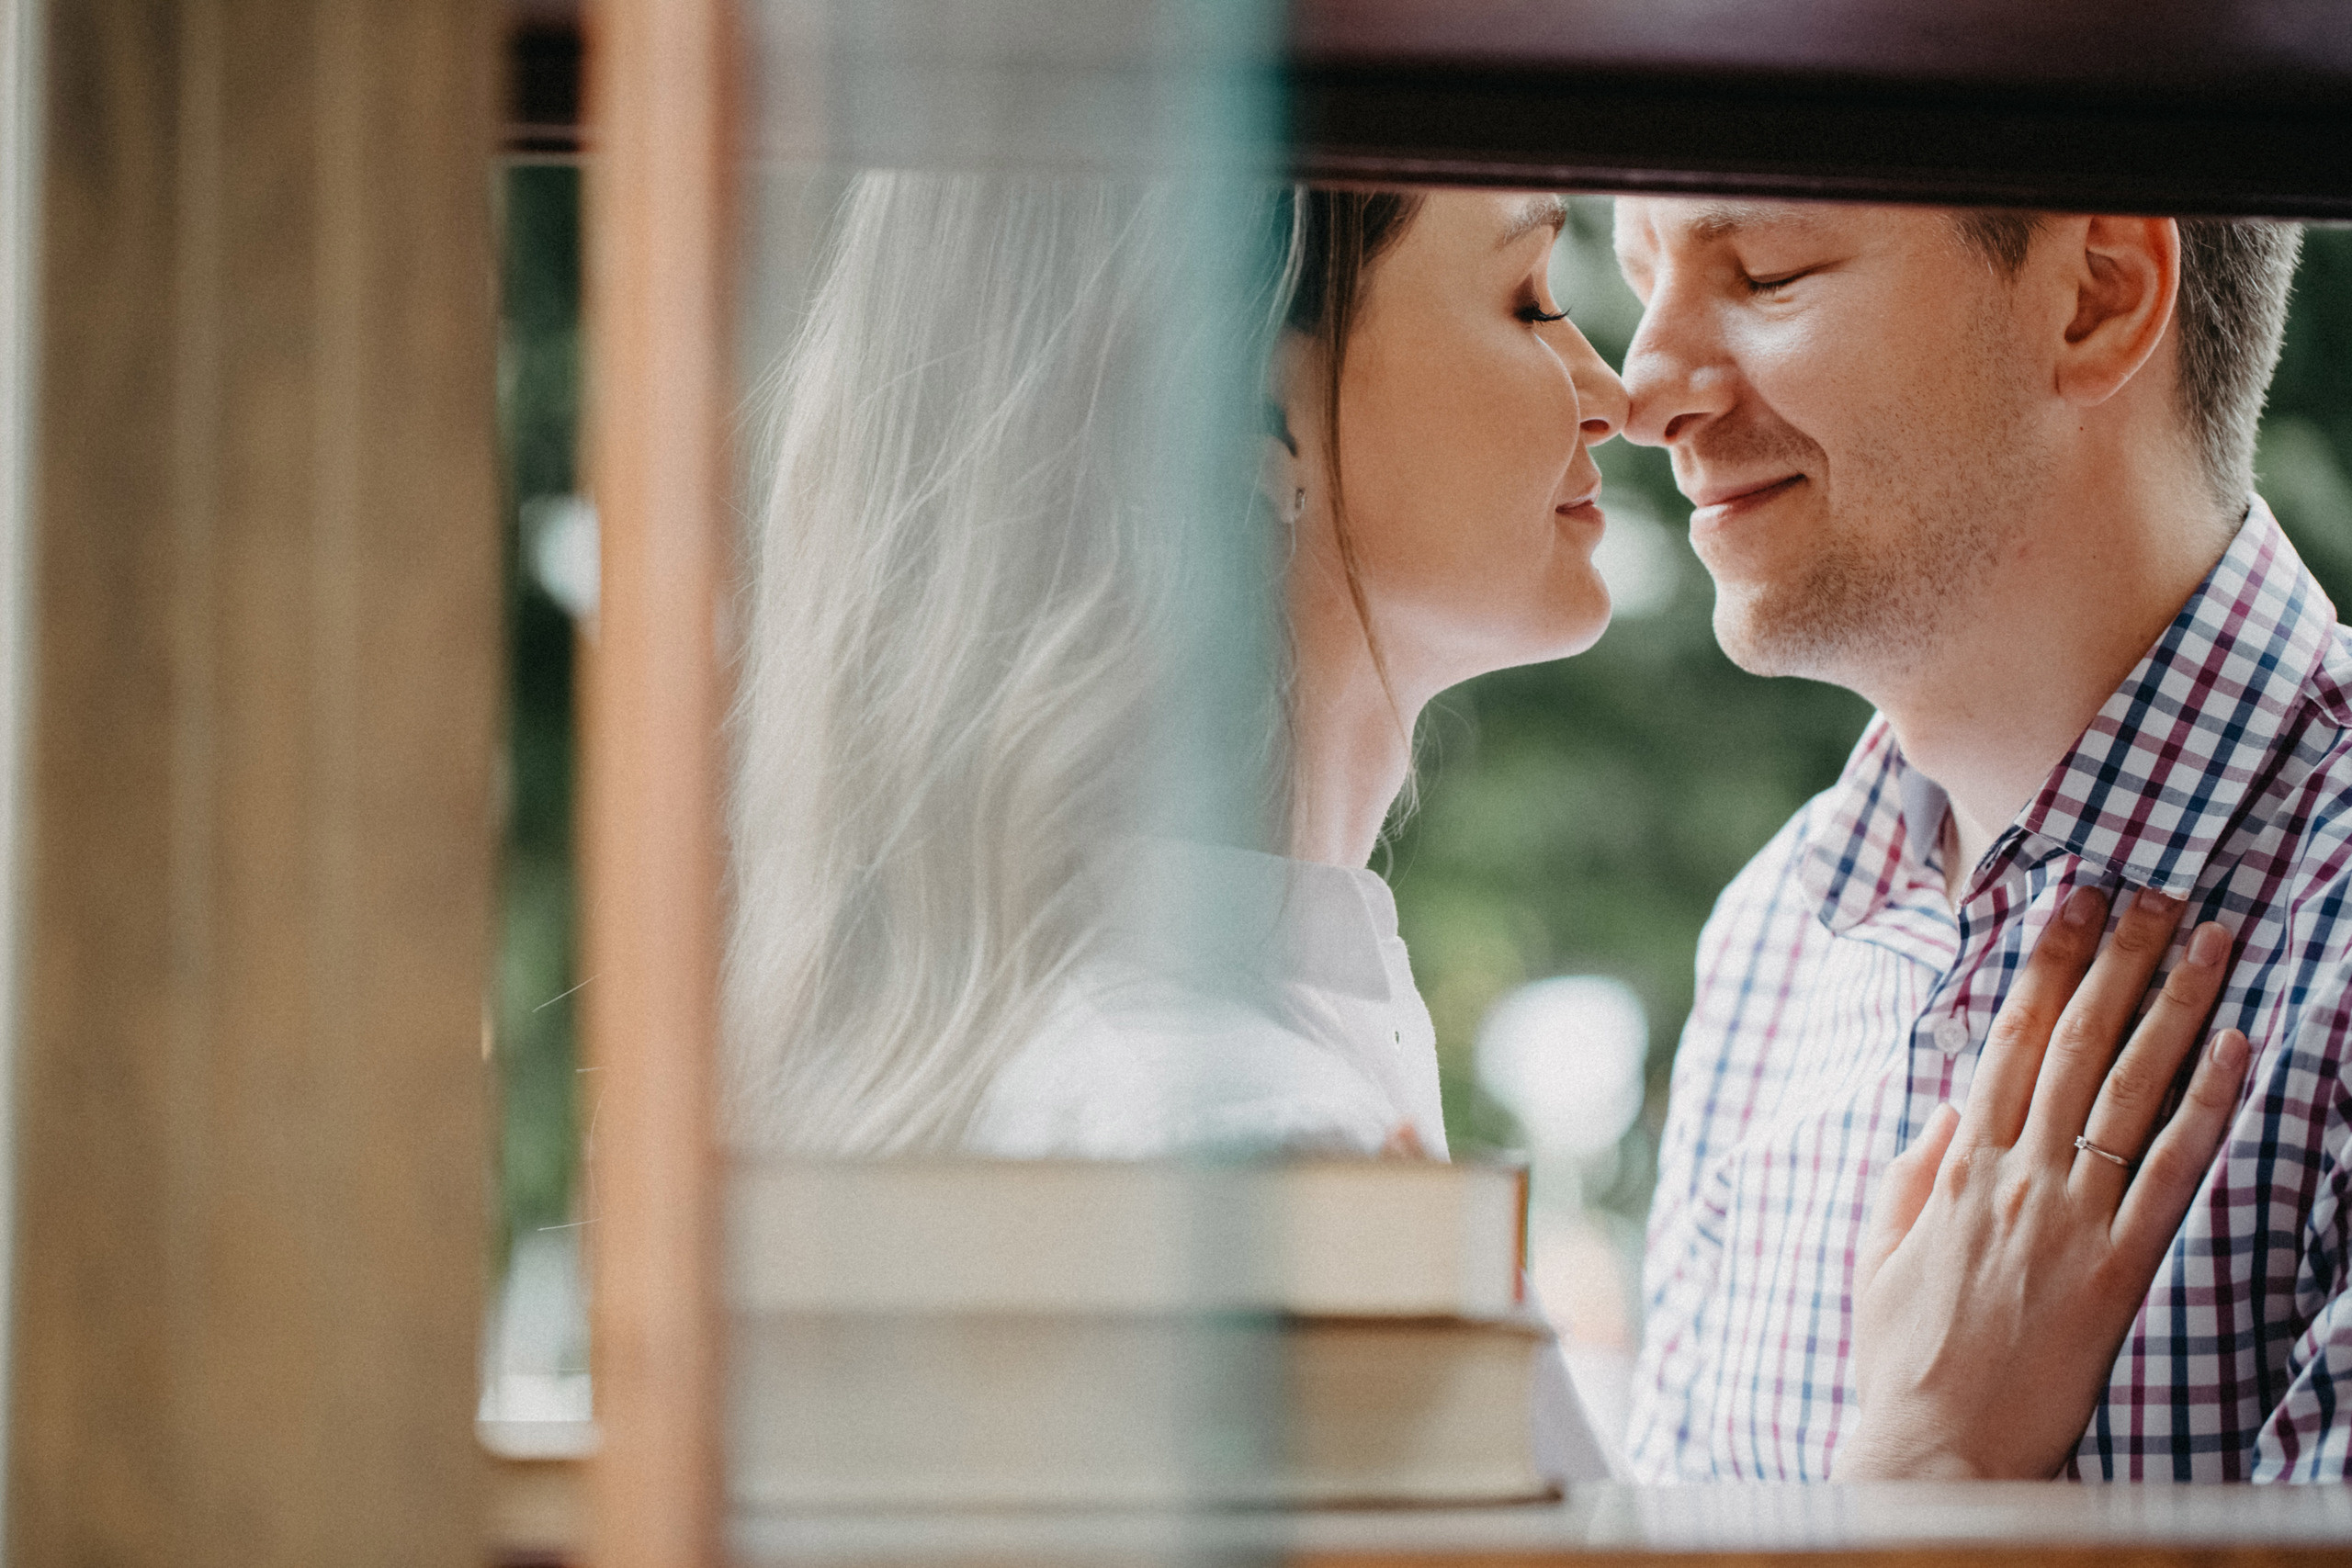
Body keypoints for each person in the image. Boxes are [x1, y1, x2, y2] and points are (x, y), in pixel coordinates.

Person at [727, 174, 2246, 1478]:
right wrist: (1925, 1476)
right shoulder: (1251, 1156)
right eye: (1533, 296)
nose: (1621, 389)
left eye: (1770, 272)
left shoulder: (1138, 1066)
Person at [1613, 200, 2334, 1481]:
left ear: (2096, 296)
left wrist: (1931, 1484)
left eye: (1766, 273)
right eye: (1639, 278)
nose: (1644, 385)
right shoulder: (1769, 944)